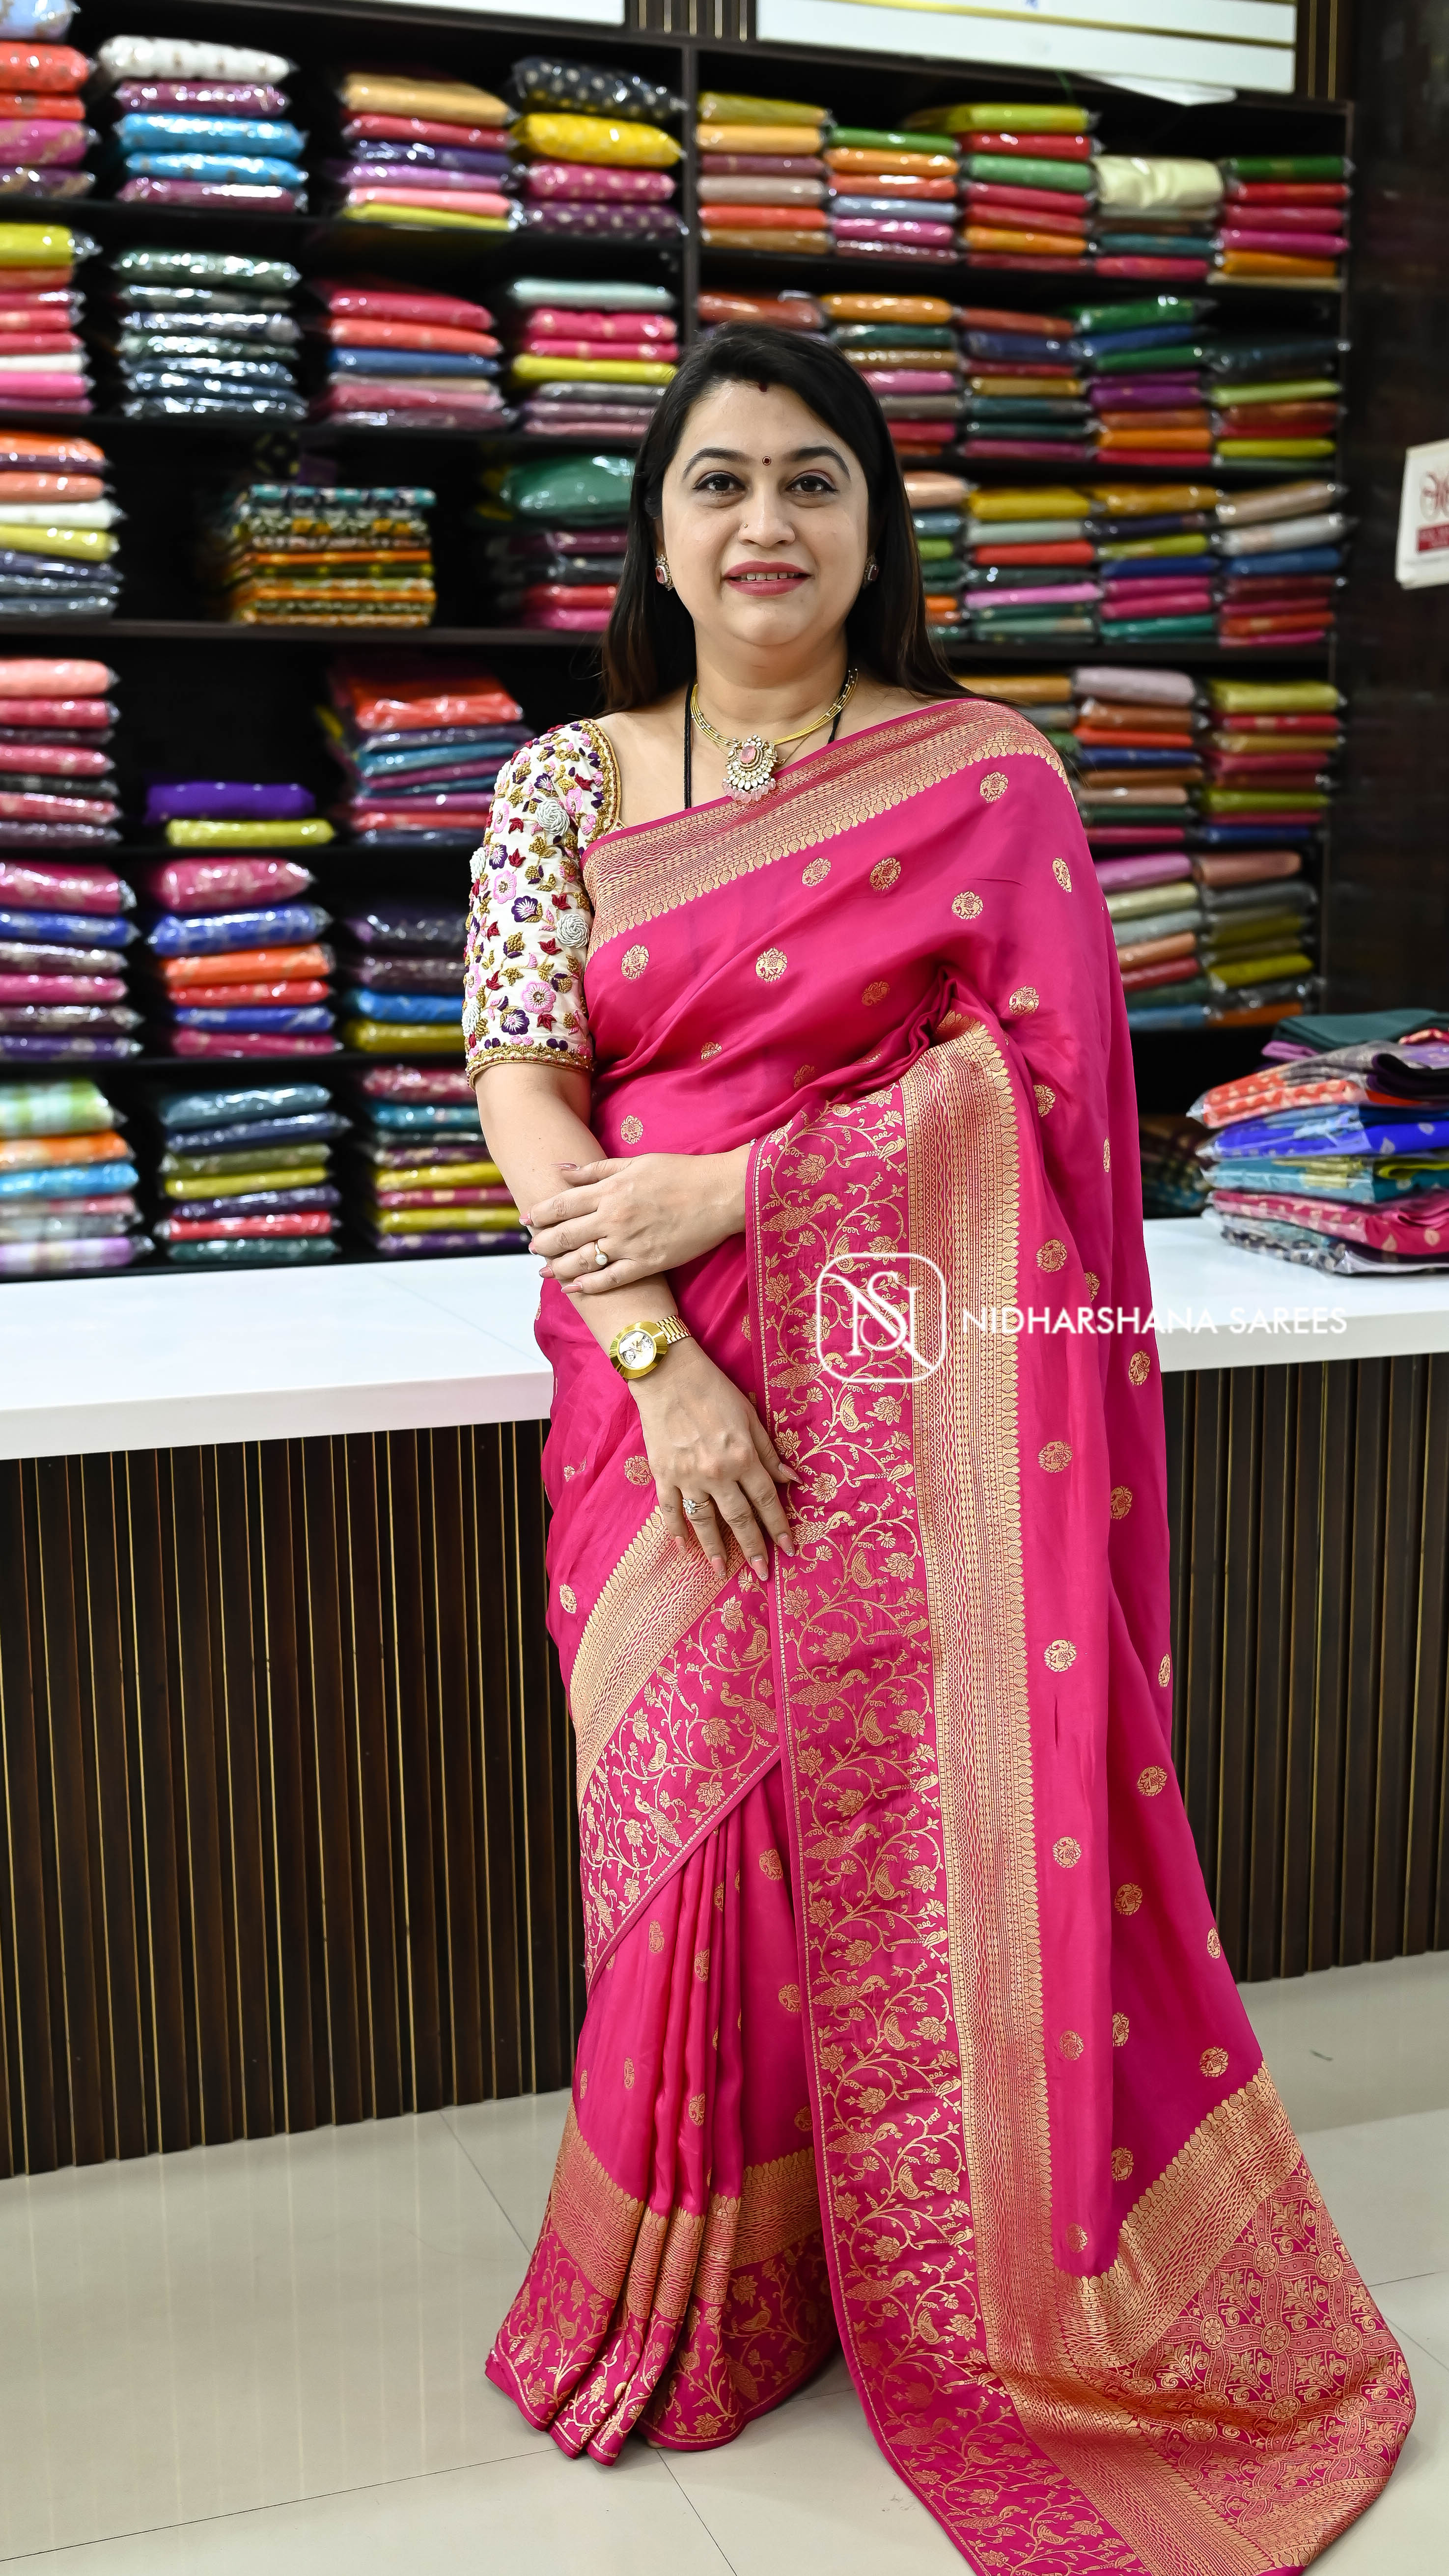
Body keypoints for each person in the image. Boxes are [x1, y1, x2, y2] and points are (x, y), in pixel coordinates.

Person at [464, 327, 1412, 2568]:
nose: (765, 523)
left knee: (912, 1811)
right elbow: (522, 1077)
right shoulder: (560, 788)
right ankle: (712, 2282)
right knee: (698, 1845)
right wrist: (662, 1347)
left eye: (814, 480)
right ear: (657, 536)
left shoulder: (987, 781)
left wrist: (748, 1186)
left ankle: (952, 2256)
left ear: (875, 528)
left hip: (911, 1367)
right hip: (647, 1370)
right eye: (719, 482)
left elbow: (1052, 1106)